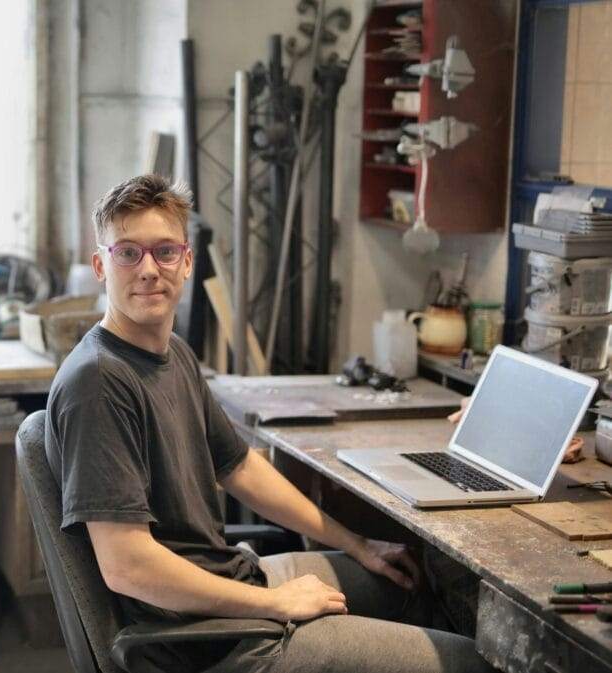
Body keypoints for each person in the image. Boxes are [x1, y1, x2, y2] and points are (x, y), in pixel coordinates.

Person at [45, 174, 494, 672]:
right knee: (471, 664)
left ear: (187, 262)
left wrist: (356, 543)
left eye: (164, 251)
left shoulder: (173, 354)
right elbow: (128, 567)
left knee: (406, 580)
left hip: (233, 590)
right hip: (207, 642)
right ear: (101, 266)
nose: (149, 269)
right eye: (128, 252)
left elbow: (239, 468)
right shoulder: (100, 383)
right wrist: (277, 605)